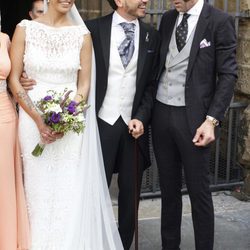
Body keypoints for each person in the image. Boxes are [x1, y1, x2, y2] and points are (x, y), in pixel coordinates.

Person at [9, 0, 123, 249]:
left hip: (70, 126)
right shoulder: (25, 29)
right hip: (31, 121)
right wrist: (39, 120)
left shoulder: (82, 35)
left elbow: (83, 85)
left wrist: (67, 115)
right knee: (36, 189)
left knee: (67, 190)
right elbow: (14, 80)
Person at [152, 0, 237, 250]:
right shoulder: (167, 19)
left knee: (199, 193)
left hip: (196, 121)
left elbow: (229, 74)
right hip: (161, 113)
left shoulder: (219, 21)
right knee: (168, 192)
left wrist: (211, 120)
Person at [85, 0, 160, 249]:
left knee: (130, 195)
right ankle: (95, 241)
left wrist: (142, 115)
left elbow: (151, 84)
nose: (145, 0)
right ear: (119, 1)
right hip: (101, 123)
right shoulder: (93, 29)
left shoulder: (151, 34)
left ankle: (123, 244)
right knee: (95, 190)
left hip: (133, 125)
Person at [0, 22, 29, 250]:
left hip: (5, 117)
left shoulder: (4, 39)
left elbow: (15, 77)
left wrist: (24, 80)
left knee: (5, 183)